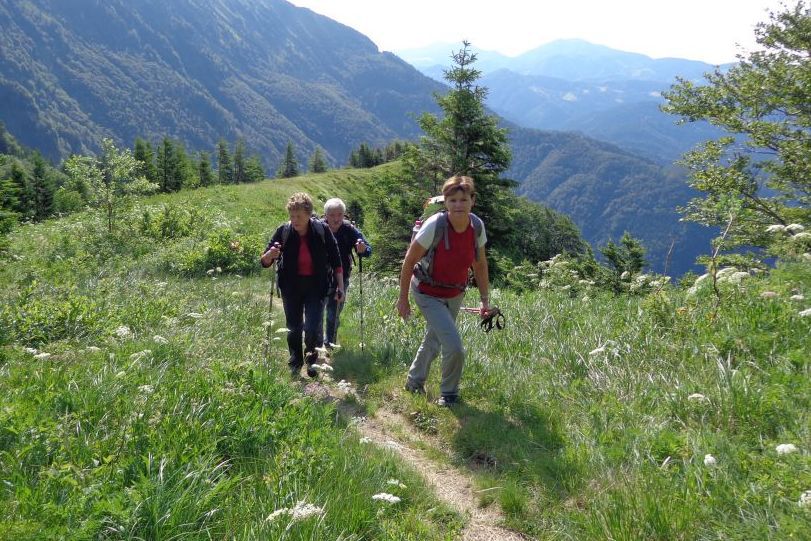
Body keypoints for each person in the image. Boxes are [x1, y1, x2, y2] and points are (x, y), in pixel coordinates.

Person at [397, 175, 490, 407]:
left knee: (434, 339)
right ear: (445, 202)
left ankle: (413, 382)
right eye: (453, 200)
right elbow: (409, 262)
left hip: (455, 293)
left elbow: (480, 264)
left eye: (463, 199)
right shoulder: (434, 226)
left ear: (472, 201)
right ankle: (449, 395)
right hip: (427, 292)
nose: (458, 205)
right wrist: (403, 300)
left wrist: (484, 300)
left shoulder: (476, 227)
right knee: (455, 347)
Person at [261, 192, 345, 378]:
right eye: (292, 216)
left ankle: (311, 360)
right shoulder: (283, 231)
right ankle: (295, 361)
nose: (295, 220)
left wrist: (341, 287)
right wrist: (269, 256)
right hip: (291, 287)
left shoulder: (321, 230)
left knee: (312, 326)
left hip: (316, 286)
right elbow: (264, 260)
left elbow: (336, 259)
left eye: (299, 216)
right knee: (293, 326)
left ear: (309, 214)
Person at [319, 198, 372, 349]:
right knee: (317, 311)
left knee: (333, 313)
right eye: (332, 215)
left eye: (340, 215)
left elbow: (367, 249)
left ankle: (329, 343)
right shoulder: (318, 228)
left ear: (344, 215)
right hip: (319, 277)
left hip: (342, 277)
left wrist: (363, 249)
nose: (336, 219)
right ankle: (316, 343)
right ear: (325, 215)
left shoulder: (349, 229)